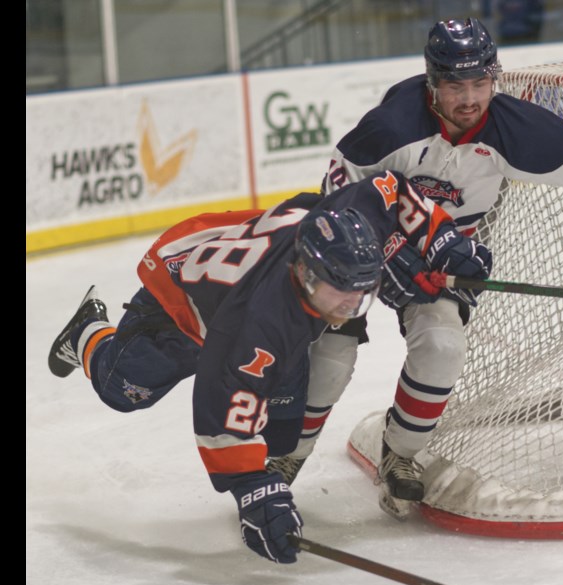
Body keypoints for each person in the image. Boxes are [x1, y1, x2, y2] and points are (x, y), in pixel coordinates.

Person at [295, 17, 563, 519]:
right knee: (329, 361)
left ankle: (401, 456)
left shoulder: (514, 128)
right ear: (433, 82)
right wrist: (387, 252)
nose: (470, 98)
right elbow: (333, 202)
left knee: (442, 346)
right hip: (358, 253)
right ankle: (284, 458)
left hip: (442, 255)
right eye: (455, 85)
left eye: (480, 83)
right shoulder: (390, 128)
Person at [46, 170, 480, 562]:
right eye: (341, 293)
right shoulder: (259, 325)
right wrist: (251, 487)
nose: (351, 307)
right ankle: (86, 331)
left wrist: (440, 241)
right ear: (308, 275)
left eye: (361, 294)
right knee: (122, 390)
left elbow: (390, 188)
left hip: (242, 270)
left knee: (283, 433)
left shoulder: (349, 225)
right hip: (180, 298)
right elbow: (222, 409)